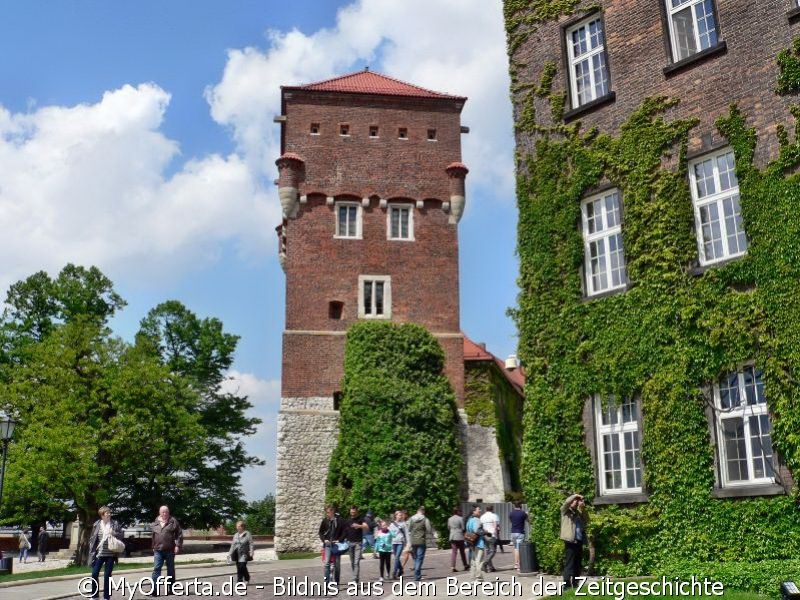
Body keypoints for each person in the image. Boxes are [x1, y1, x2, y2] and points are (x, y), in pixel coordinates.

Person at [87, 506, 124, 600]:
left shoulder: (114, 524)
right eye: (107, 513)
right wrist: (92, 550)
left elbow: (121, 535)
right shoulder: (97, 524)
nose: (109, 514)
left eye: (109, 513)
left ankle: (106, 597)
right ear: (102, 515)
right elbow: (93, 538)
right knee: (94, 574)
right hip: (99, 554)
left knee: (108, 576)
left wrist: (114, 533)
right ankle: (94, 595)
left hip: (111, 555)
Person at [151, 505, 183, 596]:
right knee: (156, 569)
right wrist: (153, 546)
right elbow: (153, 536)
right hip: (158, 550)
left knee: (170, 570)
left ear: (168, 512)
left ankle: (171, 589)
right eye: (163, 512)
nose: (165, 513)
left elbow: (179, 534)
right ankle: (155, 590)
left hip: (170, 550)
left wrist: (177, 545)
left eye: (166, 512)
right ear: (160, 513)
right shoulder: (155, 523)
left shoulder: (173, 521)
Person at [560, 493, 588, 588]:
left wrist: (583, 508)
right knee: (569, 564)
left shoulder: (579, 513)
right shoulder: (565, 511)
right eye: (574, 501)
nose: (575, 503)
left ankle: (575, 584)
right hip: (570, 541)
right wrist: (576, 496)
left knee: (577, 564)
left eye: (576, 501)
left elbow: (587, 520)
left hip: (579, 541)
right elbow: (567, 502)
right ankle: (566, 585)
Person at [319, 505, 345, 587]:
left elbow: (345, 532)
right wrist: (324, 540)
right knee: (327, 564)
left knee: (337, 565)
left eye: (328, 512)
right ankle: (327, 584)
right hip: (327, 545)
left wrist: (339, 540)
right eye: (326, 512)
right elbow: (320, 532)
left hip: (337, 545)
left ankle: (336, 584)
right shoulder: (325, 521)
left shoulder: (340, 521)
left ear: (332, 512)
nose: (327, 514)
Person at [406, 506, 432, 582]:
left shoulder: (411, 519)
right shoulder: (425, 519)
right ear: (423, 511)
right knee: (420, 558)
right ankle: (417, 573)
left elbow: (409, 529)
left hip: (413, 541)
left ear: (417, 511)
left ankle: (418, 575)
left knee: (416, 557)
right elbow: (429, 529)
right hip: (421, 540)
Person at [344, 506, 368, 584]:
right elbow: (345, 531)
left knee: (356, 562)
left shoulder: (361, 519)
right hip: (350, 543)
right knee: (352, 562)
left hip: (358, 543)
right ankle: (356, 577)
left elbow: (366, 527)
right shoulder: (348, 520)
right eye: (351, 512)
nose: (353, 513)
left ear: (356, 511)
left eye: (354, 512)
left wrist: (358, 526)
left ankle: (354, 579)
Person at [465, 505, 486, 582]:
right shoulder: (476, 520)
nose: (480, 510)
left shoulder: (469, 520)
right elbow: (477, 530)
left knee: (473, 561)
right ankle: (479, 578)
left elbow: (468, 529)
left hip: (471, 542)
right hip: (479, 542)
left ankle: (472, 578)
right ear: (474, 511)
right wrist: (485, 532)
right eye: (478, 509)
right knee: (479, 561)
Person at [509, 500, 529, 570]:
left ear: (514, 505)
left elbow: (511, 521)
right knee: (518, 549)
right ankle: (518, 564)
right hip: (520, 532)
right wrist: (527, 514)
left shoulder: (511, 513)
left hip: (513, 532)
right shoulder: (523, 513)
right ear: (520, 505)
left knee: (515, 548)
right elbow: (529, 521)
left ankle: (515, 564)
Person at [480, 504, 500, 572]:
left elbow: (481, 527)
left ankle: (490, 567)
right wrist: (496, 534)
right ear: (492, 509)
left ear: (486, 509)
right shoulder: (494, 516)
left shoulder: (482, 517)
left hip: (484, 535)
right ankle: (484, 564)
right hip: (491, 535)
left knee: (488, 551)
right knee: (493, 551)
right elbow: (496, 526)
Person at [448, 507, 468, 572]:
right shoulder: (460, 518)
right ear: (458, 512)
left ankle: (452, 566)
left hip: (452, 536)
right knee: (462, 552)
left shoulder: (450, 519)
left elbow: (448, 527)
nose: (461, 513)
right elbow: (463, 528)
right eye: (460, 511)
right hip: (459, 536)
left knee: (454, 552)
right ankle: (465, 565)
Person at [389, 510, 407, 579]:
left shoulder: (403, 524)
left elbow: (406, 533)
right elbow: (390, 534)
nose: (400, 516)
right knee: (396, 558)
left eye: (401, 515)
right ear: (396, 516)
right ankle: (401, 569)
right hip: (394, 542)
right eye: (399, 515)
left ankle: (394, 572)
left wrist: (408, 542)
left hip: (400, 542)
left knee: (397, 557)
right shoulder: (392, 524)